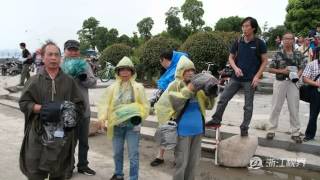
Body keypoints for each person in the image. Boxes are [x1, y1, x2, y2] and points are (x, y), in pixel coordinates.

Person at [18, 41, 85, 180]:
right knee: (35, 171)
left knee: (60, 171)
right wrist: (41, 109)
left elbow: (80, 105)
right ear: (43, 57)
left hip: (63, 135)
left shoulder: (69, 81)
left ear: (60, 58)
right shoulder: (34, 81)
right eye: (50, 54)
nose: (53, 58)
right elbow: (24, 103)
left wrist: (68, 112)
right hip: (38, 132)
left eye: (56, 55)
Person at [154, 56, 216, 180]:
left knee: (193, 164)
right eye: (187, 70)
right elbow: (171, 104)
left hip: (198, 130)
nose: (190, 73)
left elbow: (209, 106)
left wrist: (211, 94)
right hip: (182, 132)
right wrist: (189, 89)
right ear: (180, 71)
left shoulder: (199, 86)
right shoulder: (174, 85)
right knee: (181, 163)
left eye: (192, 70)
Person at [205, 17, 268, 136]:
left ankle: (244, 128)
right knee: (223, 99)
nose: (244, 28)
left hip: (250, 79)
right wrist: (235, 68)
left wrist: (257, 76)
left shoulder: (260, 43)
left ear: (253, 28)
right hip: (235, 78)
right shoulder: (238, 41)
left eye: (247, 26)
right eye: (243, 26)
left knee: (248, 106)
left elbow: (265, 61)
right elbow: (230, 57)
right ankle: (216, 120)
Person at [98, 56, 150, 180]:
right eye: (122, 70)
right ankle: (119, 174)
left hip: (132, 127)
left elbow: (145, 105)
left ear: (132, 72)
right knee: (117, 153)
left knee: (133, 154)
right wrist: (102, 118)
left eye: (127, 70)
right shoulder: (112, 88)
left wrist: (138, 114)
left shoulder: (138, 87)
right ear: (118, 72)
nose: (125, 73)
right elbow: (105, 103)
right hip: (117, 126)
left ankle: (133, 177)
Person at [62, 40, 97, 178]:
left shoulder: (85, 64)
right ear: (65, 51)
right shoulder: (60, 64)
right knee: (69, 141)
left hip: (83, 110)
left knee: (84, 141)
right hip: (66, 110)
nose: (73, 52)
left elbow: (93, 83)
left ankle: (83, 165)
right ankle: (68, 166)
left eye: (75, 49)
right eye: (70, 49)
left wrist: (84, 78)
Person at [149, 50, 188, 167]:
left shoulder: (179, 69)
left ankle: (177, 158)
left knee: (176, 130)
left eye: (162, 63)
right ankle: (160, 156)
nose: (162, 66)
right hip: (168, 104)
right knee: (165, 128)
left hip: (178, 104)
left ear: (165, 60)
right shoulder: (174, 68)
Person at [265, 32, 305, 143]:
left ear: (293, 40)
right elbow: (270, 69)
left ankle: (295, 132)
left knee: (294, 108)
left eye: (290, 39)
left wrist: (298, 75)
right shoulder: (278, 54)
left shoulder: (298, 54)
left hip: (293, 84)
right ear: (282, 40)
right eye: (286, 39)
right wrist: (282, 71)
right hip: (280, 82)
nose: (288, 41)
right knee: (276, 106)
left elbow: (302, 67)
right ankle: (271, 130)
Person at [302, 59, 320, 142]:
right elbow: (305, 78)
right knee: (313, 114)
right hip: (316, 92)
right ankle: (309, 135)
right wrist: (317, 84)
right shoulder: (312, 64)